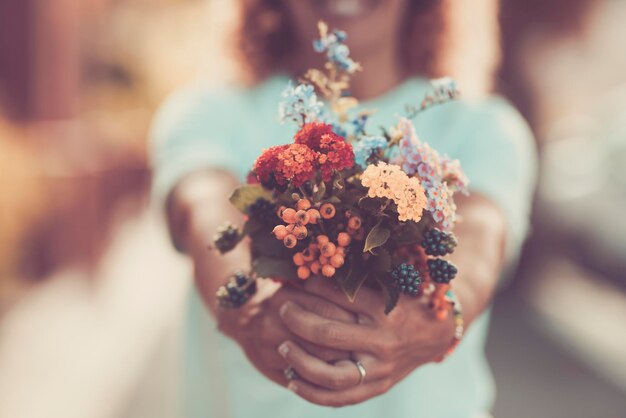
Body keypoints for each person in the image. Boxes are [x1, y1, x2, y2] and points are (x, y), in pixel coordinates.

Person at [150, 0, 537, 417]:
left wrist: (441, 318)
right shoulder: (209, 112)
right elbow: (203, 204)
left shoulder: (484, 127)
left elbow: (481, 234)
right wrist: (249, 302)